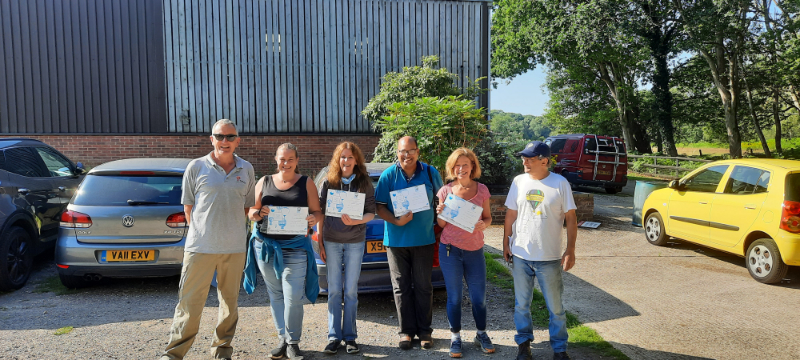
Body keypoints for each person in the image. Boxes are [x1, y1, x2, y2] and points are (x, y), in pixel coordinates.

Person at [160, 119, 256, 360]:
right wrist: (203, 233)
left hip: (234, 248)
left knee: (229, 303)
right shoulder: (196, 167)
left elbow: (247, 208)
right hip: (200, 247)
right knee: (189, 303)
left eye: (230, 137)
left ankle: (222, 349)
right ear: (211, 139)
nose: (225, 141)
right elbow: (188, 208)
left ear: (238, 141)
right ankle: (174, 353)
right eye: (220, 136)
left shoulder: (247, 169)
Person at [242, 143, 322, 360]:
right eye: (282, 159)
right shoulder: (264, 181)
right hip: (266, 247)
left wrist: (314, 218)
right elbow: (251, 212)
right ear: (275, 159)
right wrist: (259, 213)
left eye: (290, 159)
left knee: (293, 296)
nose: (285, 163)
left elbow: (317, 212)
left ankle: (293, 342)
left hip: (295, 247)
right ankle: (282, 339)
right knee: (275, 294)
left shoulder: (306, 183)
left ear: (297, 161)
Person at [502, 141, 577, 360]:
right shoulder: (518, 182)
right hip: (521, 255)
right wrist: (506, 243)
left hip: (549, 257)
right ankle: (524, 344)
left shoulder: (560, 183)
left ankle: (560, 349)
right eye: (523, 158)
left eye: (530, 158)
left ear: (545, 160)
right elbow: (510, 215)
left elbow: (571, 219)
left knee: (555, 307)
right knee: (521, 305)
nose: (524, 161)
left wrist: (570, 249)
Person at [374, 136, 443, 350]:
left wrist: (442, 210)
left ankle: (425, 332)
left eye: (411, 150)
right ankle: (405, 332)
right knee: (401, 288)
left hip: (424, 239)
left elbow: (443, 198)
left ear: (418, 151)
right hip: (395, 242)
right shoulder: (388, 175)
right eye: (403, 151)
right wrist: (395, 220)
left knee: (423, 286)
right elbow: (379, 206)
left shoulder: (430, 173)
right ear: (397, 153)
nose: (407, 155)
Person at [434, 148, 495, 358]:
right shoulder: (445, 192)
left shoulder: (482, 190)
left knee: (479, 298)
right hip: (450, 249)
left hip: (475, 250)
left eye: (465, 164)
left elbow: (488, 218)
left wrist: (482, 225)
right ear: (452, 168)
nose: (461, 168)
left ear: (472, 166)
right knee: (454, 298)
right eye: (457, 165)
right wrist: (440, 213)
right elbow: (441, 225)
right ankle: (455, 337)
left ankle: (481, 334)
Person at [317, 142, 376, 355]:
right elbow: (320, 214)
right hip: (331, 241)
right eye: (342, 157)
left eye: (350, 157)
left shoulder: (364, 183)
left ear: (356, 160)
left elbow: (371, 212)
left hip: (355, 242)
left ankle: (350, 337)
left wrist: (355, 221)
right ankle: (334, 337)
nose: (346, 161)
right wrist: (320, 242)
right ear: (337, 159)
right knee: (333, 291)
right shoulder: (328, 182)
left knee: (350, 291)